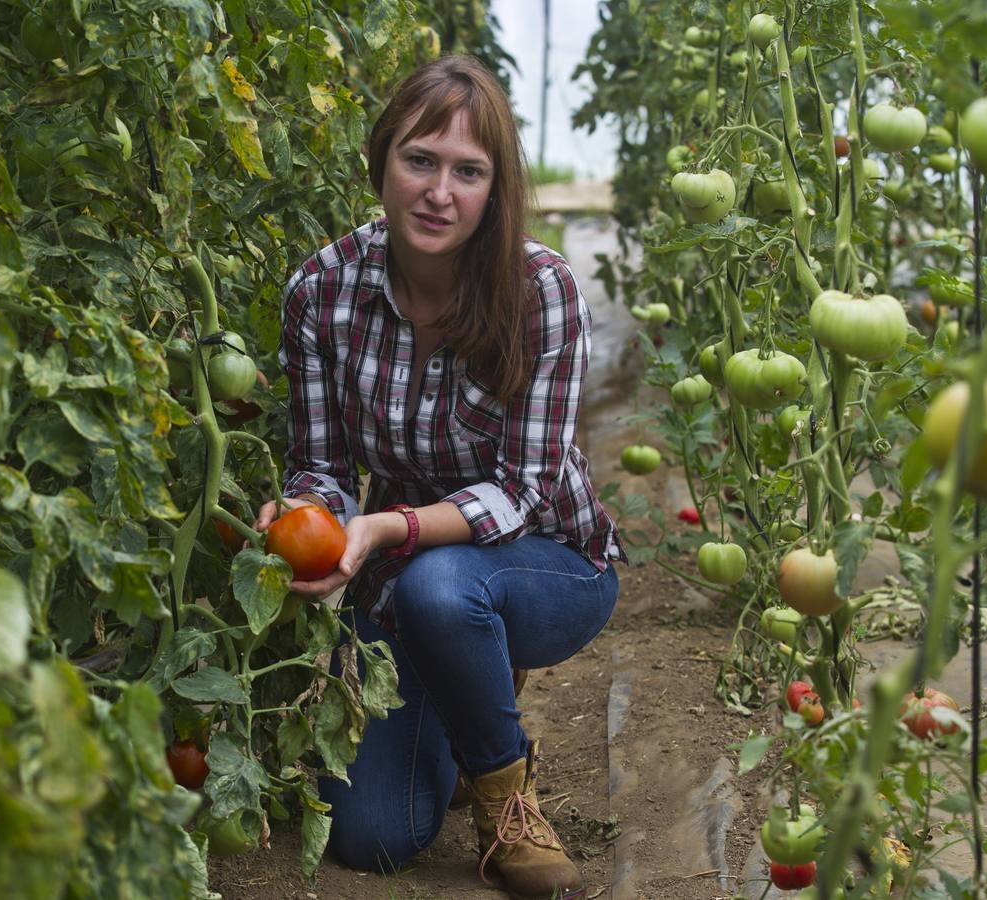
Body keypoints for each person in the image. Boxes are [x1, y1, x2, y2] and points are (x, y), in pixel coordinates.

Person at [255, 54, 623, 900]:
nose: (439, 192)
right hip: (413, 578)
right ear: (382, 160)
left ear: (494, 189)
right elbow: (323, 462)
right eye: (420, 161)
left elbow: (526, 487)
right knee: (377, 838)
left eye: (469, 172)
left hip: (550, 567)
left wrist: (386, 528)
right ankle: (469, 684)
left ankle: (505, 799)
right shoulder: (321, 289)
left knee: (437, 584)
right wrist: (306, 513)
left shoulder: (541, 291)